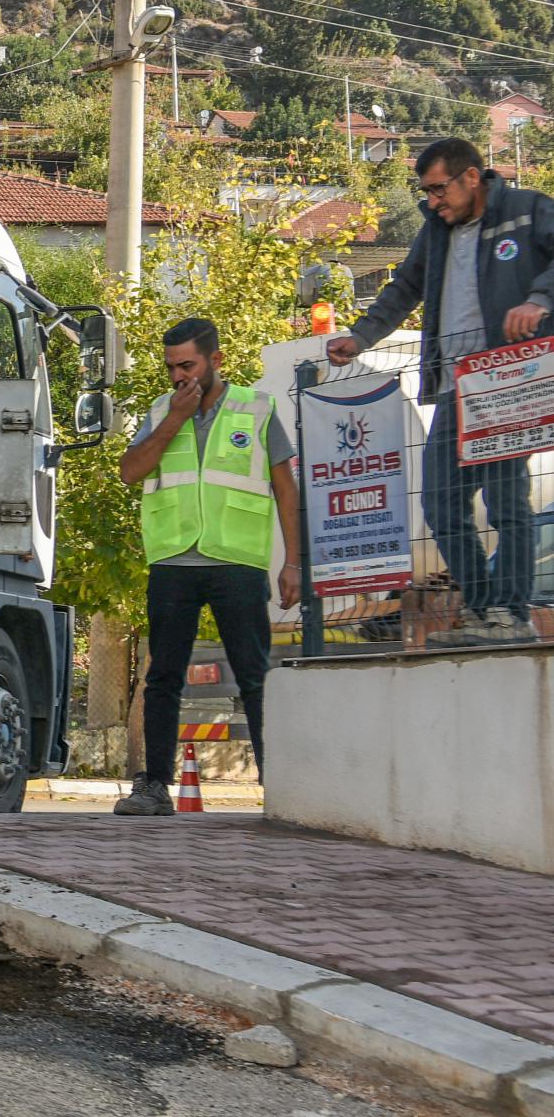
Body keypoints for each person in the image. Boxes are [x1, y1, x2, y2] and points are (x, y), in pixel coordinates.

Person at [328, 136, 554, 646]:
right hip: (454, 389)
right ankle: (481, 609)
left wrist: (539, 300)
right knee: (439, 502)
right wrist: (360, 337)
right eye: (426, 191)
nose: (432, 201)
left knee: (506, 501)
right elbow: (403, 288)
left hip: (507, 378)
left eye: (438, 189)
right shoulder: (434, 232)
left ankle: (509, 613)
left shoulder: (527, 210)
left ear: (471, 177)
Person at [117, 318, 303, 816]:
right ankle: (155, 786)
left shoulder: (256, 409)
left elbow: (286, 488)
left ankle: (278, 785)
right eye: (171, 367)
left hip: (236, 560)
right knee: (163, 677)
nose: (179, 376)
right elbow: (130, 471)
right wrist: (174, 420)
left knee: (254, 675)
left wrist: (293, 564)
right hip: (173, 559)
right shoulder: (161, 411)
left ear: (215, 360)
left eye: (188, 365)